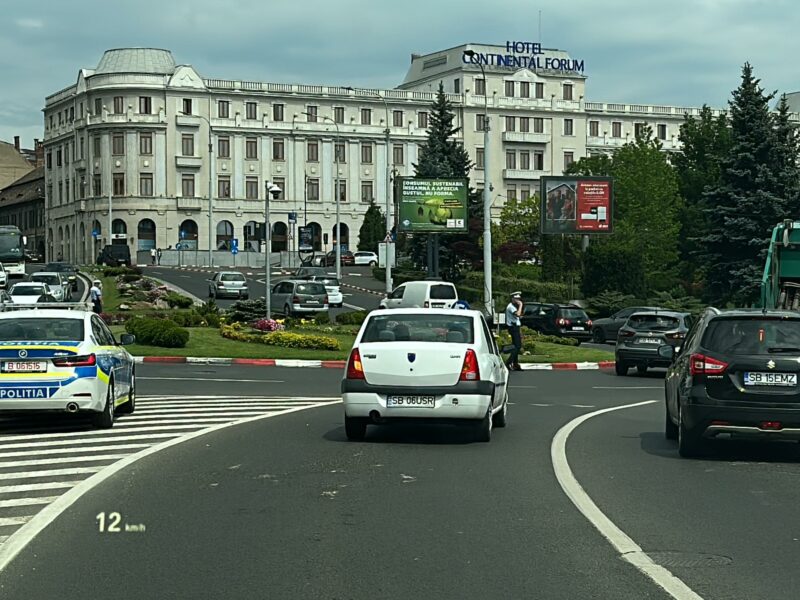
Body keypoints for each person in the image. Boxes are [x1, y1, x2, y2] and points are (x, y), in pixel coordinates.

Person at [505, 291, 523, 371]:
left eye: (518, 299)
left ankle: (515, 364)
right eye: (516, 299)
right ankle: (508, 363)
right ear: (512, 299)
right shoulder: (510, 307)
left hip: (515, 327)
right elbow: (518, 314)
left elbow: (517, 316)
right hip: (513, 327)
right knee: (518, 346)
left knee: (516, 346)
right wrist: (521, 305)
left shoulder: (513, 306)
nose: (518, 300)